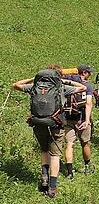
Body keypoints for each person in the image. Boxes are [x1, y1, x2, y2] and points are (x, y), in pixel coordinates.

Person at [12, 65, 87, 198]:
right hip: (55, 124)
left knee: (44, 150)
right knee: (55, 155)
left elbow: (16, 85)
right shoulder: (61, 87)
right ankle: (52, 187)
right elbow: (82, 88)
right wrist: (66, 81)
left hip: (38, 123)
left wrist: (33, 79)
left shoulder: (34, 87)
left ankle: (44, 176)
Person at [62, 65, 95, 178]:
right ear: (84, 73)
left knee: (69, 144)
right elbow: (88, 103)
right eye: (89, 72)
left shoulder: (66, 84)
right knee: (85, 143)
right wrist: (87, 120)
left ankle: (70, 172)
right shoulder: (87, 86)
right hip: (82, 118)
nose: (90, 75)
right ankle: (87, 166)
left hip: (68, 118)